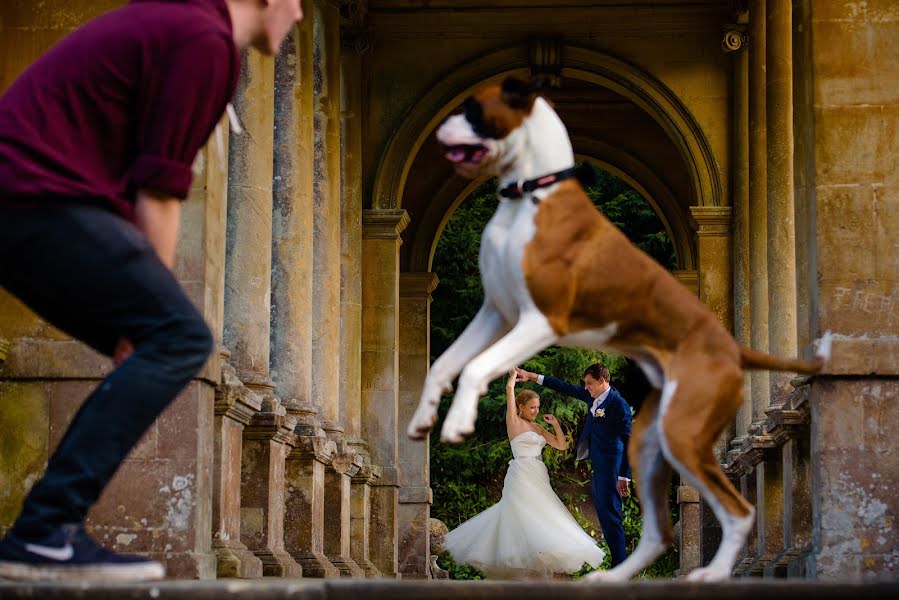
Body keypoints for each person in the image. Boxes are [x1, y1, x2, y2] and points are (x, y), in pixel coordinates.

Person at [0, 0, 304, 582]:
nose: (296, 14)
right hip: (32, 196)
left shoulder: (191, 30)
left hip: (31, 201)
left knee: (162, 339)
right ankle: (43, 529)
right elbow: (160, 191)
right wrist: (150, 314)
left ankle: (45, 529)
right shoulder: (204, 40)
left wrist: (139, 318)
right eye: (295, 0)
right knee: (182, 338)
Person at [443, 371, 605, 579]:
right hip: (520, 473)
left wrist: (555, 424)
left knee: (542, 514)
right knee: (519, 513)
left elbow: (561, 445)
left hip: (539, 475)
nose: (536, 411)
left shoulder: (538, 428)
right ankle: (517, 568)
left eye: (537, 407)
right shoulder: (514, 423)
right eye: (532, 407)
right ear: (521, 407)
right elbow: (510, 389)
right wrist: (512, 375)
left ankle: (534, 572)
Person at [515, 363, 632, 567]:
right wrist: (531, 376)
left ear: (602, 381)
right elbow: (564, 386)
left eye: (589, 383)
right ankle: (618, 564)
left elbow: (631, 442)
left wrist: (624, 476)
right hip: (599, 465)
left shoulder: (618, 405)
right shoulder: (592, 396)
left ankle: (621, 568)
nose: (585, 387)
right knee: (605, 516)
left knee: (611, 516)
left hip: (612, 468)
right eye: (585, 384)